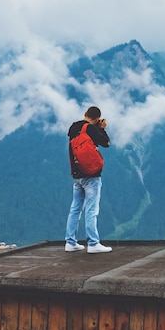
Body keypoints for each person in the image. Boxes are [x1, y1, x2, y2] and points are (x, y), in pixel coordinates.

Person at [64, 106, 113, 253]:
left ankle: (70, 242)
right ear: (98, 119)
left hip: (77, 174)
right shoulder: (92, 130)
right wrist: (102, 128)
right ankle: (93, 243)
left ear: (85, 114)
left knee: (75, 209)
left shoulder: (73, 127)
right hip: (91, 175)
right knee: (91, 210)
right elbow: (106, 143)